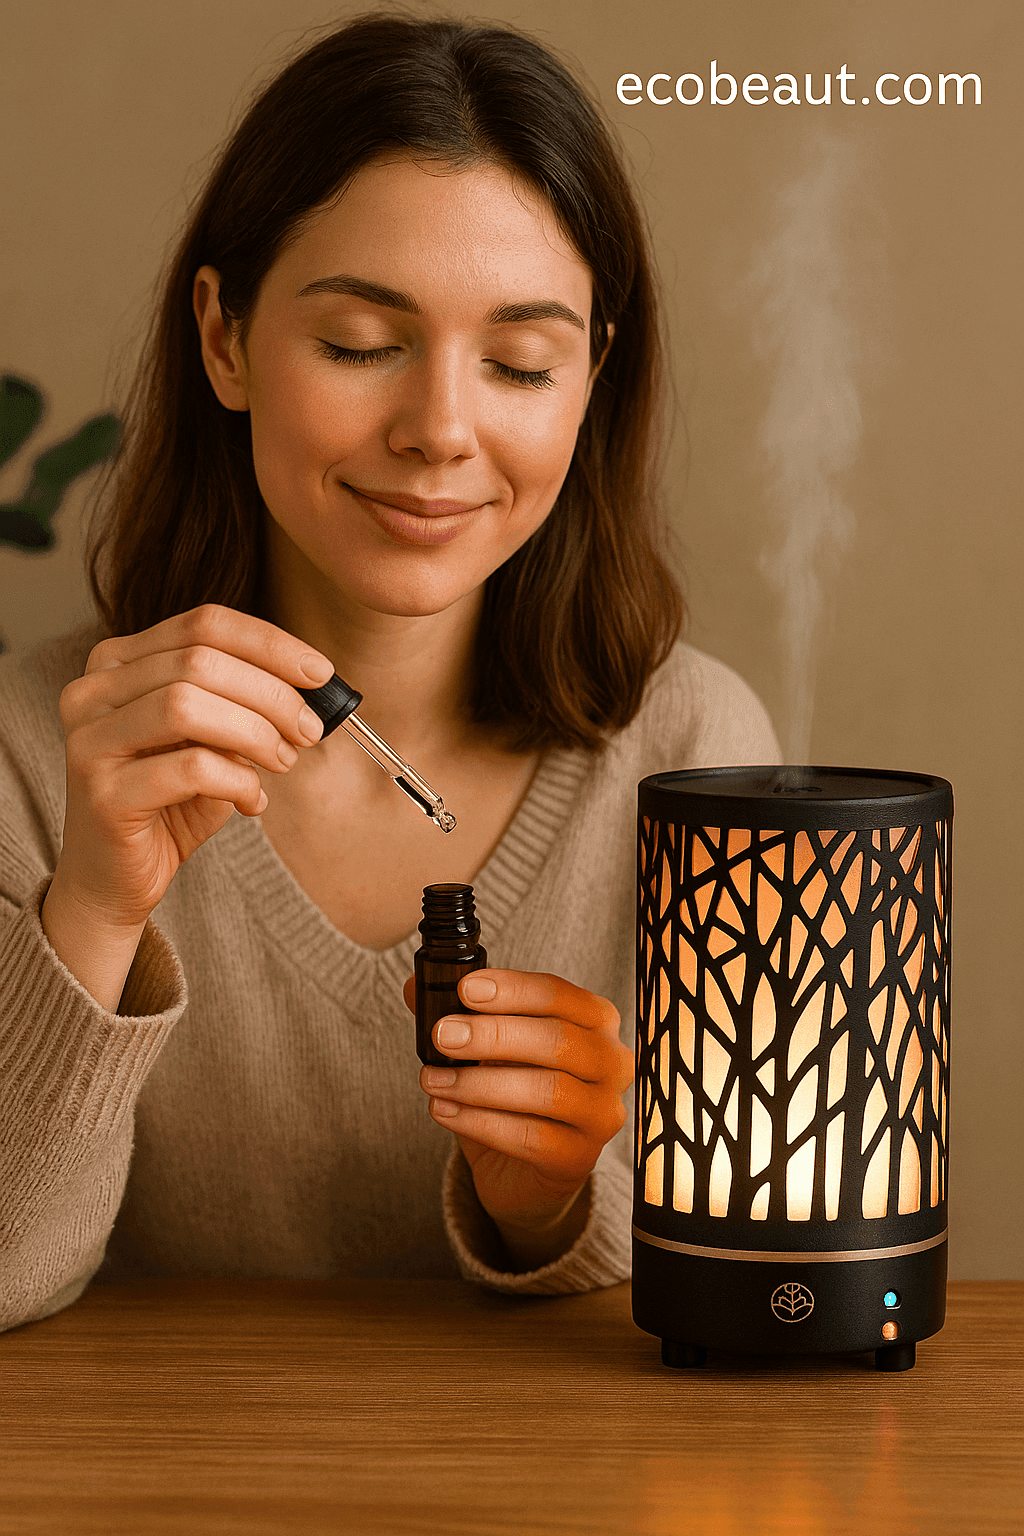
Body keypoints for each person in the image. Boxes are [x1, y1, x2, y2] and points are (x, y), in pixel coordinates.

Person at [0, 13, 779, 1332]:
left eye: (522, 362)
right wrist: (94, 907)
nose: (438, 430)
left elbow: (769, 1298)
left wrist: (546, 1199)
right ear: (225, 338)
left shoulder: (695, 750)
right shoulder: (39, 748)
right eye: (362, 342)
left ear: (594, 372)